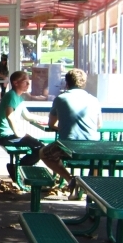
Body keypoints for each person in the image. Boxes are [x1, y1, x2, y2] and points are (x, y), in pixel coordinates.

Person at [24, 69, 101, 198]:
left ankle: (70, 179)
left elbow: (51, 124)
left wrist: (63, 127)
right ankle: (88, 188)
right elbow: (99, 125)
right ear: (84, 83)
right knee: (98, 160)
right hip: (91, 145)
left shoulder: (60, 99)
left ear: (67, 83)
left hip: (67, 146)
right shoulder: (94, 100)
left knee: (43, 153)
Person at [0, 70, 44, 181]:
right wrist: (17, 133)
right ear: (16, 83)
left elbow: (27, 116)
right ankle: (17, 169)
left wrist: (44, 119)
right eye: (25, 82)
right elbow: (10, 115)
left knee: (40, 147)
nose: (28, 85)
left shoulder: (19, 98)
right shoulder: (11, 96)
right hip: (6, 136)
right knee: (40, 149)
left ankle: (16, 168)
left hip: (12, 135)